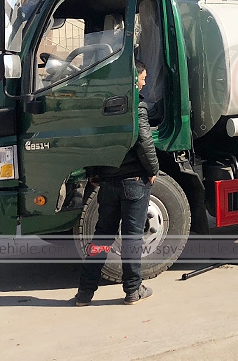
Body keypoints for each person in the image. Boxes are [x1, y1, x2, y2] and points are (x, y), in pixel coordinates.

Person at [75, 55, 158, 306]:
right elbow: (144, 141)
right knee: (133, 238)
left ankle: (84, 294)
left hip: (108, 182)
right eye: (142, 79)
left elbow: (90, 143)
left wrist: (93, 172)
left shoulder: (102, 106)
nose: (144, 84)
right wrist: (153, 168)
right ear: (134, 79)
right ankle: (133, 290)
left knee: (101, 238)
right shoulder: (136, 107)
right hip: (134, 181)